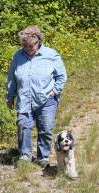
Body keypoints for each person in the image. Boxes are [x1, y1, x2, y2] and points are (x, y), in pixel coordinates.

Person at [6, 25, 67, 167]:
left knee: (45, 128)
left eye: (30, 45)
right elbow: (11, 78)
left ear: (38, 41)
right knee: (23, 126)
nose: (27, 48)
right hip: (24, 99)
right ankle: (25, 156)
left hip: (47, 99)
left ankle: (43, 157)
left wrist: (55, 91)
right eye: (24, 45)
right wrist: (10, 96)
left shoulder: (51, 55)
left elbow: (61, 76)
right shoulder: (18, 56)